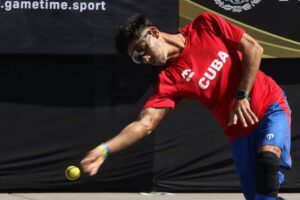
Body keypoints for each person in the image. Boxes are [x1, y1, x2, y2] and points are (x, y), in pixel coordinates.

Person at [80, 12, 291, 200]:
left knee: (267, 162)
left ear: (154, 33)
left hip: (269, 105)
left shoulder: (204, 25)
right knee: (260, 197)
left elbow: (254, 48)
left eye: (142, 48)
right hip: (238, 132)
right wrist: (105, 149)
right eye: (137, 58)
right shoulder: (169, 80)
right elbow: (145, 124)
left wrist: (242, 94)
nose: (144, 57)